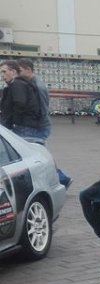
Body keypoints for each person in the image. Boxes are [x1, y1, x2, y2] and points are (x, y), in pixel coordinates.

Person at [15, 59, 72, 188]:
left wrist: (37, 124)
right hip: (39, 125)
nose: (17, 74)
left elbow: (42, 108)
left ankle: (61, 179)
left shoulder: (38, 86)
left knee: (41, 156)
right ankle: (62, 178)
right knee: (41, 154)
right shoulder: (32, 83)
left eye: (20, 71)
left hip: (39, 126)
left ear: (28, 70)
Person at [1, 60, 46, 141]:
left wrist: (12, 122)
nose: (2, 75)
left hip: (23, 127)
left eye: (4, 72)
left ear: (13, 72)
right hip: (26, 126)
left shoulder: (17, 84)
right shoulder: (21, 84)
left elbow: (19, 104)